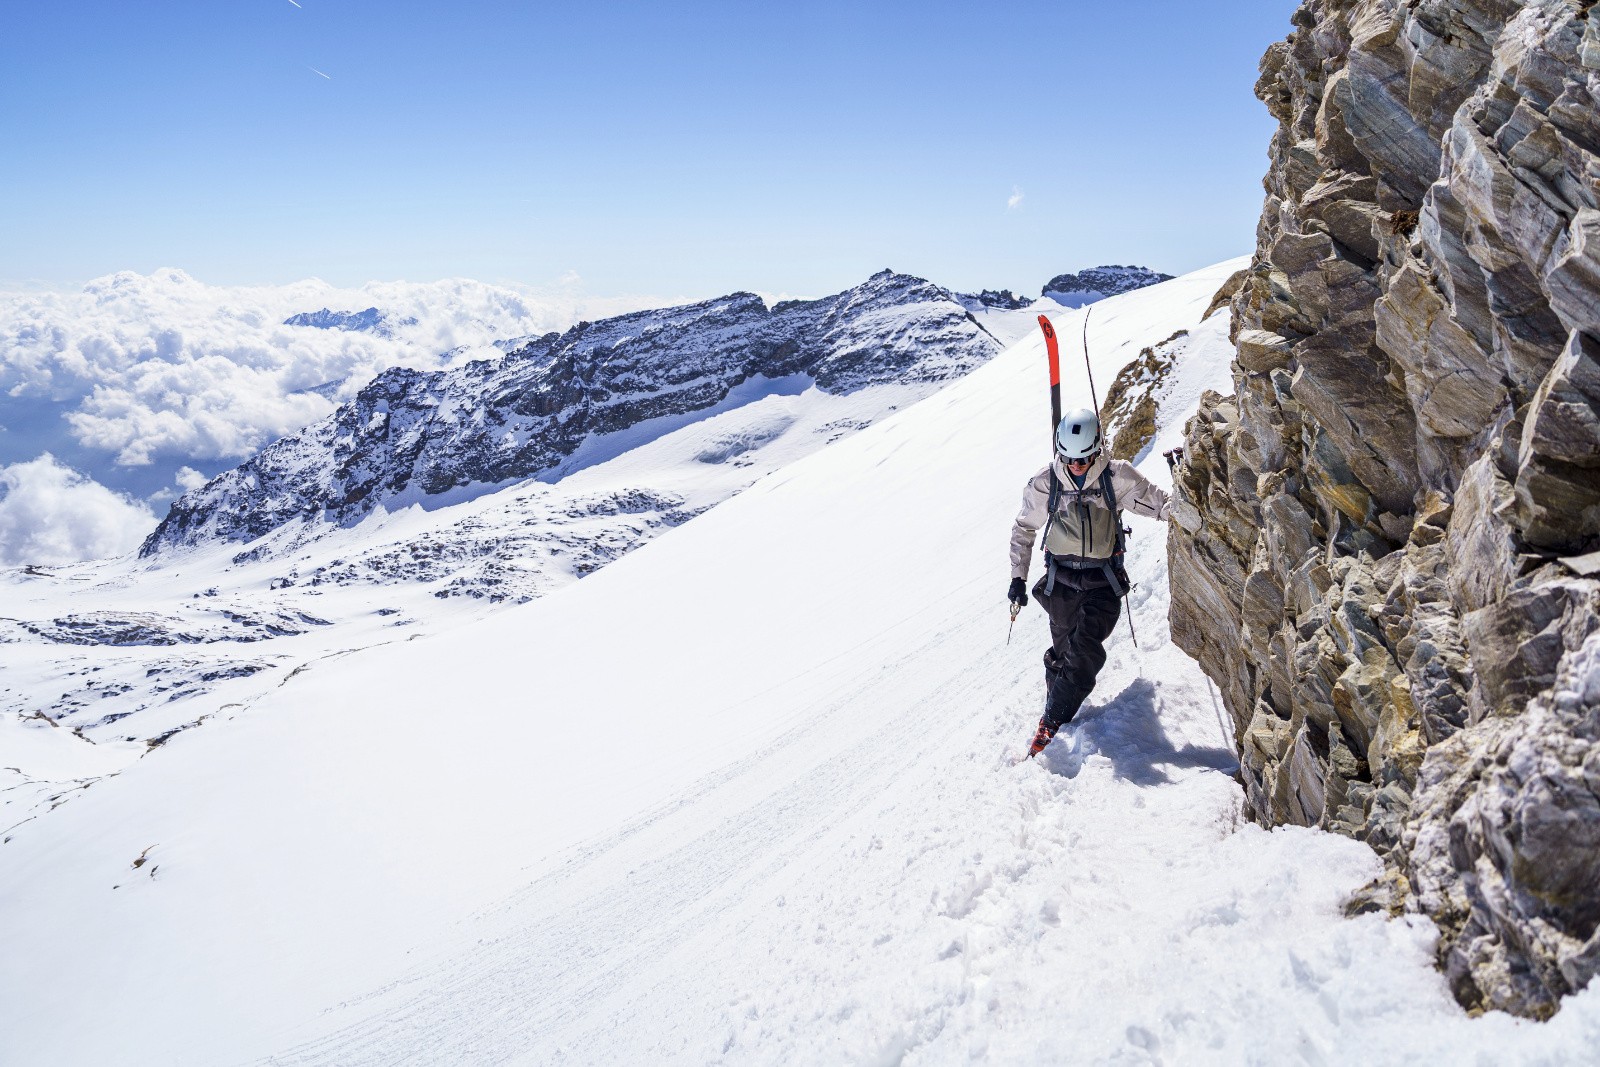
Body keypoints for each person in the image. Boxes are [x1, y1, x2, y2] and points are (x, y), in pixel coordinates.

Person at [1008, 406, 1171, 758]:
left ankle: (1050, 725)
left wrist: (1190, 505)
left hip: (1103, 582)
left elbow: (1161, 506)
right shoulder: (1046, 483)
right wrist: (1018, 579)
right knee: (1064, 653)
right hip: (1060, 583)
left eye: (1084, 459)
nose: (1077, 466)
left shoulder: (1117, 478)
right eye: (1069, 459)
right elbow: (1024, 529)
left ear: (1098, 448)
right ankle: (1059, 717)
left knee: (1084, 651)